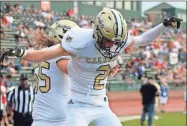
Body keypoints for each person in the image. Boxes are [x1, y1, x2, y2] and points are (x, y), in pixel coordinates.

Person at [2, 8, 182, 126]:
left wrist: (163, 25)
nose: (112, 45)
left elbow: (143, 40)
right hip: (78, 106)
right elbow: (43, 55)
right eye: (109, 40)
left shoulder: (115, 40)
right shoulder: (80, 40)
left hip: (101, 105)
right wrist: (22, 53)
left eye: (116, 41)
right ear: (97, 32)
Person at [31, 20, 77, 126]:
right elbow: (73, 71)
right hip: (55, 120)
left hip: (41, 117)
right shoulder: (58, 53)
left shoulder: (44, 52)